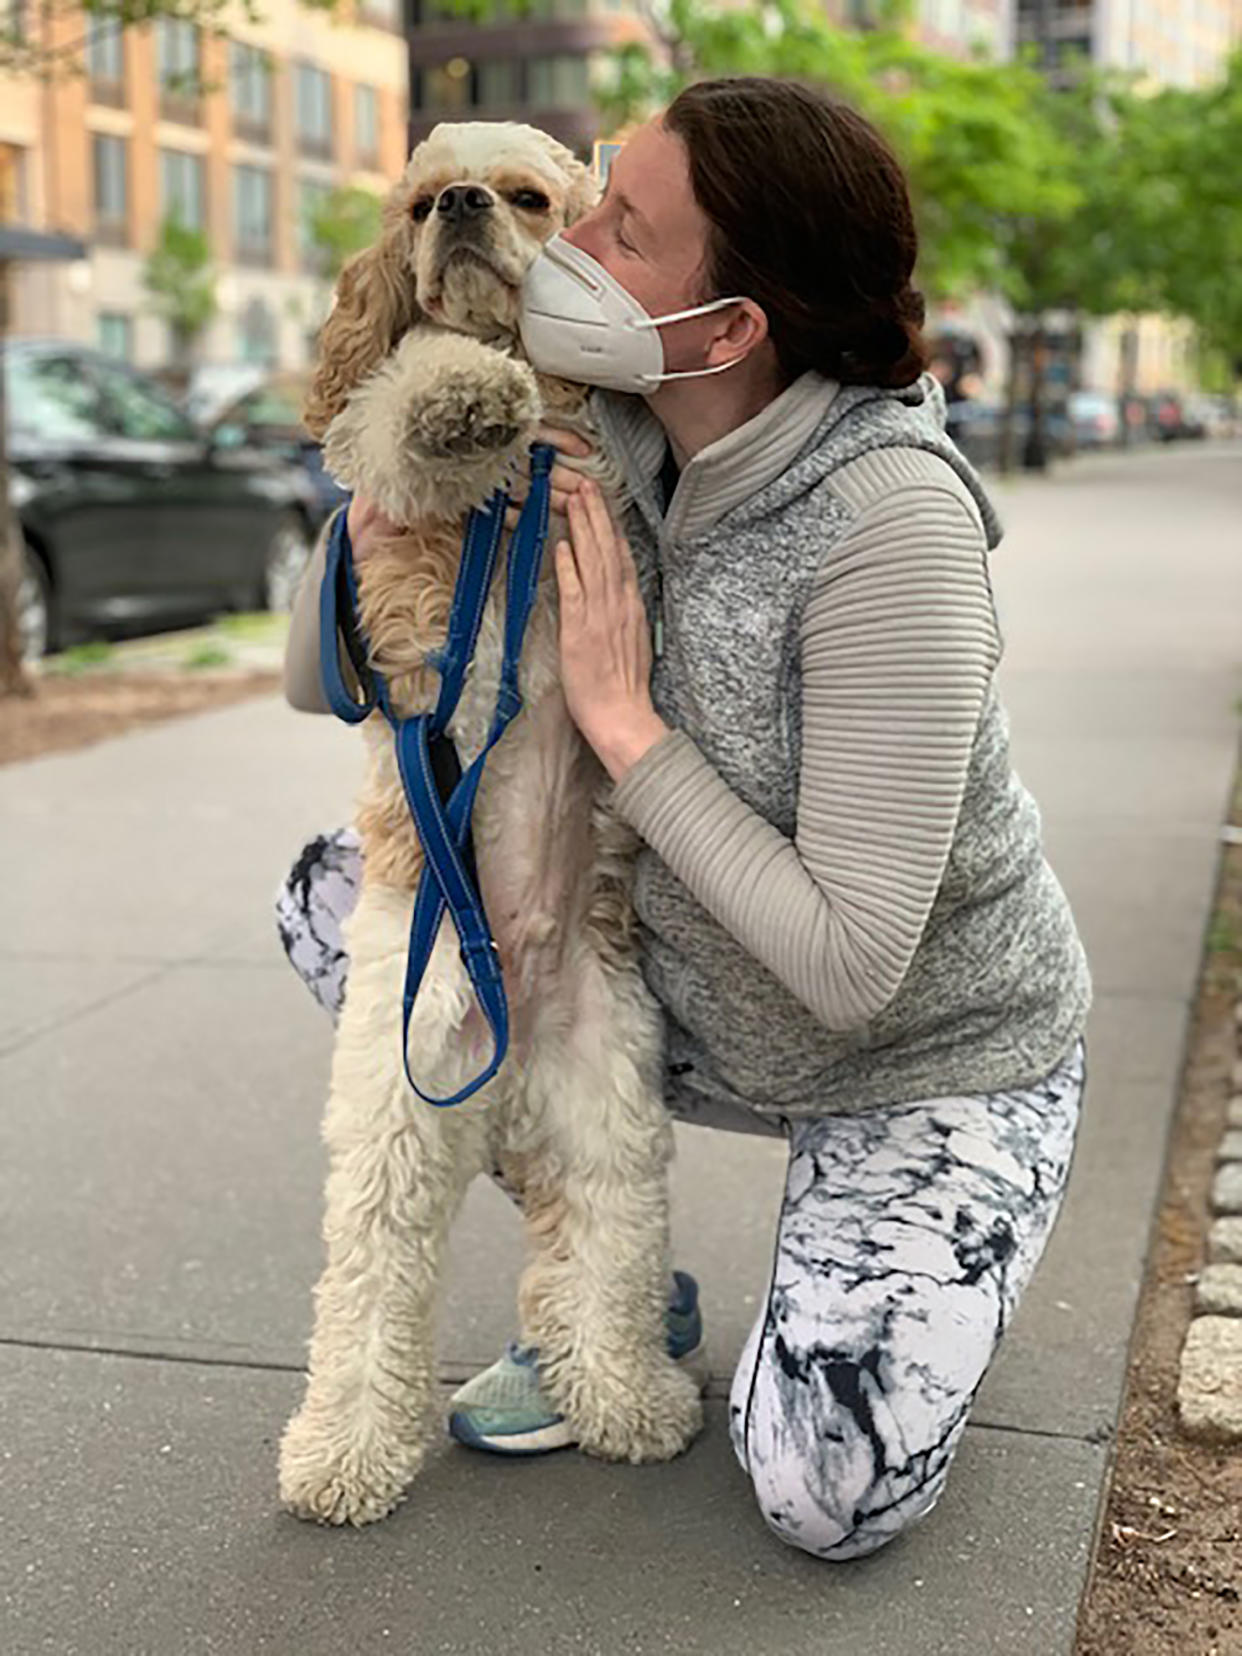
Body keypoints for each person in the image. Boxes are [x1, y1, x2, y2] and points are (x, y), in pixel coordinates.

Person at [278, 77, 1091, 1562]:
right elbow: (330, 677)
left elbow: (851, 965)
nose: (574, 245)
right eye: (582, 208)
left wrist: (626, 727)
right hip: (669, 970)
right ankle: (596, 1266)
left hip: (906, 1041)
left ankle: (847, 1249)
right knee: (331, 897)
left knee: (824, 1490)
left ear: (725, 328)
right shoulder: (615, 421)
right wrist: (367, 530)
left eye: (614, 227)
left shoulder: (888, 533)